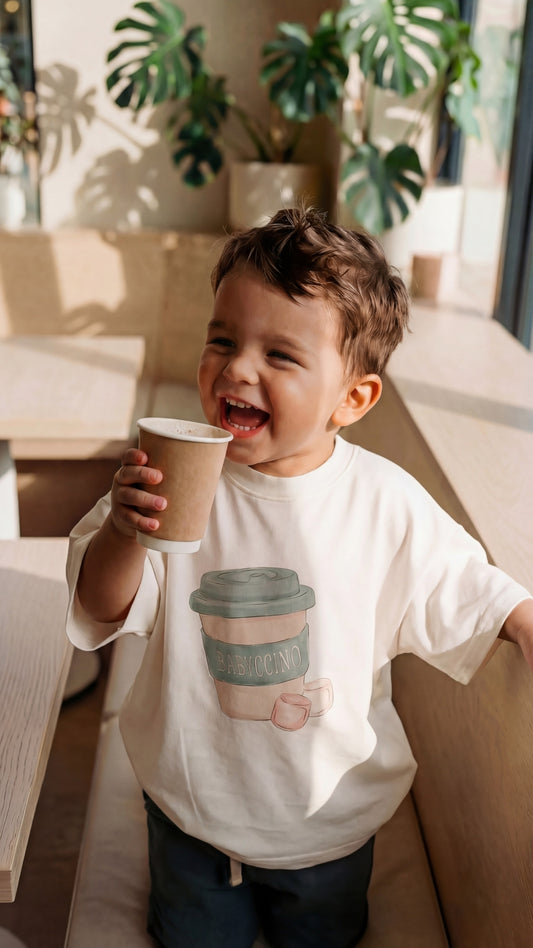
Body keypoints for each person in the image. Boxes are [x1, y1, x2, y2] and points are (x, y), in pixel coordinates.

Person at [66, 207, 533, 948]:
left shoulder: (382, 502)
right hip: (192, 813)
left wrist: (521, 620)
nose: (236, 369)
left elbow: (462, 582)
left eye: (279, 355)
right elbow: (99, 605)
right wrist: (126, 530)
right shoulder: (180, 479)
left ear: (353, 398)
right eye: (223, 340)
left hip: (329, 826)